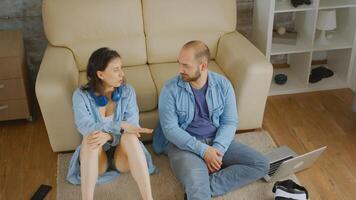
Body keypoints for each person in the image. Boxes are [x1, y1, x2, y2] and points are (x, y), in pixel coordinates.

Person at [153, 41, 270, 199]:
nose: (180, 70)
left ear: (203, 66)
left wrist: (217, 151)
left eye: (186, 65)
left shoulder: (223, 85)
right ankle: (198, 187)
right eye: (179, 64)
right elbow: (170, 130)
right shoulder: (170, 89)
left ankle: (202, 187)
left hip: (215, 139)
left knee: (261, 164)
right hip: (183, 145)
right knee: (197, 185)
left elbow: (229, 122)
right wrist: (203, 151)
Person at [67, 47, 156, 200]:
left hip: (123, 157)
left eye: (121, 68)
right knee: (90, 139)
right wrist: (118, 126)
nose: (122, 74)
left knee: (130, 137)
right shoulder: (80, 95)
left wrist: (109, 136)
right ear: (100, 74)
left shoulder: (127, 92)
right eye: (116, 70)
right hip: (97, 159)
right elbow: (84, 126)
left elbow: (132, 126)